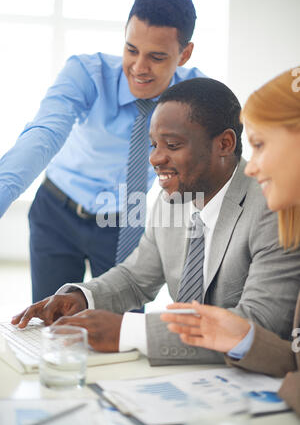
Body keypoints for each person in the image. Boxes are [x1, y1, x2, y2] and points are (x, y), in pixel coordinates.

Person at [11, 77, 300, 367]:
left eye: (172, 145)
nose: (155, 159)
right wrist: (82, 297)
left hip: (252, 378)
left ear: (225, 144)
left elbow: (261, 324)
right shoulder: (172, 198)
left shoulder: (274, 204)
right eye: (153, 145)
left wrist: (131, 332)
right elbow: (136, 278)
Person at [0, 0, 202, 303]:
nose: (139, 66)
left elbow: (207, 171)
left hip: (125, 218)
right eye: (131, 49)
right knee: (50, 321)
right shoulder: (86, 73)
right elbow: (45, 133)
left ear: (184, 54)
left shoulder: (195, 98)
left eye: (157, 56)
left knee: (118, 330)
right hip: (57, 212)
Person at [160, 67, 300, 416]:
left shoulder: (265, 209)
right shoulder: (173, 200)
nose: (250, 168)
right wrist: (242, 337)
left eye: (261, 144)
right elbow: (295, 360)